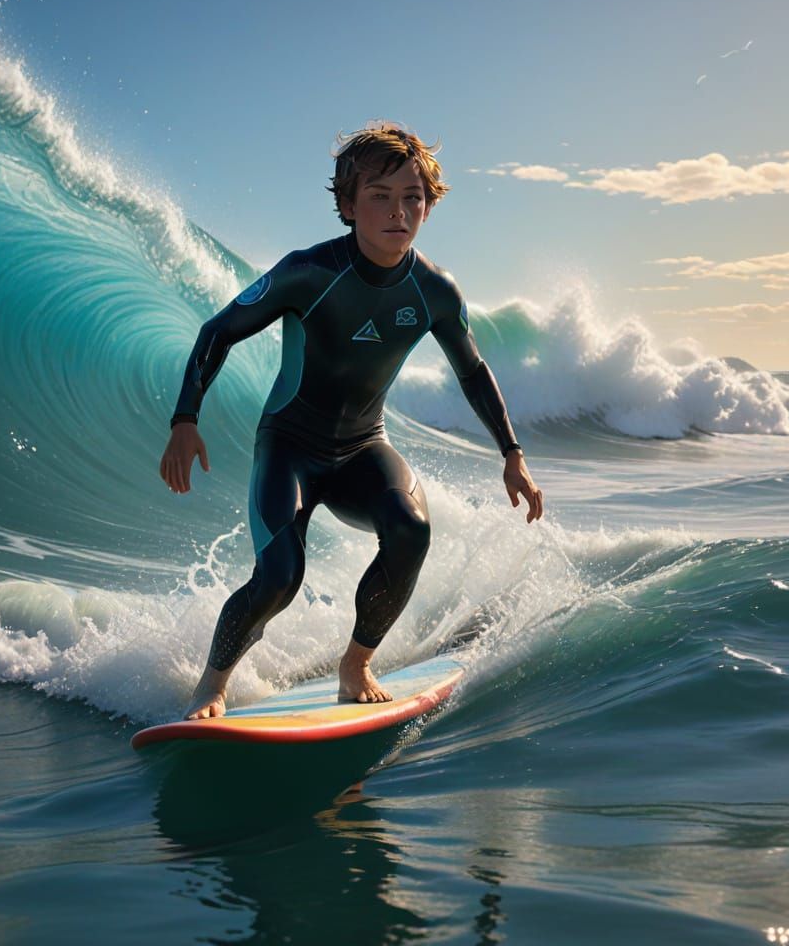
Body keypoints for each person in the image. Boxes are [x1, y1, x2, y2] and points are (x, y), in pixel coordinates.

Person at [160, 121, 543, 720]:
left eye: (412, 197)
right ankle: (212, 683)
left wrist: (511, 453)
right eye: (379, 197)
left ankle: (355, 664)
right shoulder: (308, 273)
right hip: (290, 446)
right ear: (347, 204)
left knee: (412, 529)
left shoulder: (434, 290)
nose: (399, 212)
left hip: (363, 448)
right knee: (281, 575)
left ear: (429, 204)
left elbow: (472, 371)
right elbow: (219, 331)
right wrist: (186, 419)